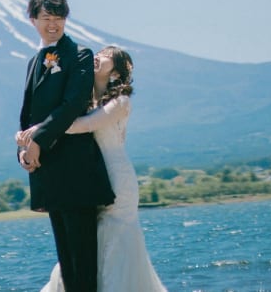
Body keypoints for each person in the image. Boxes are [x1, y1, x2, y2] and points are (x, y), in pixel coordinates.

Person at [20, 46, 167, 292]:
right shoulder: (85, 98)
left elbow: (86, 125)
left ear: (117, 73)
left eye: (106, 56)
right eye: (98, 53)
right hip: (91, 179)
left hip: (117, 179)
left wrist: (40, 130)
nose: (97, 57)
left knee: (114, 241)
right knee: (88, 244)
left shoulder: (120, 102)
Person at [17, 0, 115, 292]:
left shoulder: (80, 55)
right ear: (33, 20)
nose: (53, 25)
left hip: (76, 171)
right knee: (67, 260)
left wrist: (39, 141)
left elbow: (73, 104)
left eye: (58, 19)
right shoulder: (34, 61)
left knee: (83, 261)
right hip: (49, 172)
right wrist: (24, 150)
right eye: (46, 19)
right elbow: (29, 115)